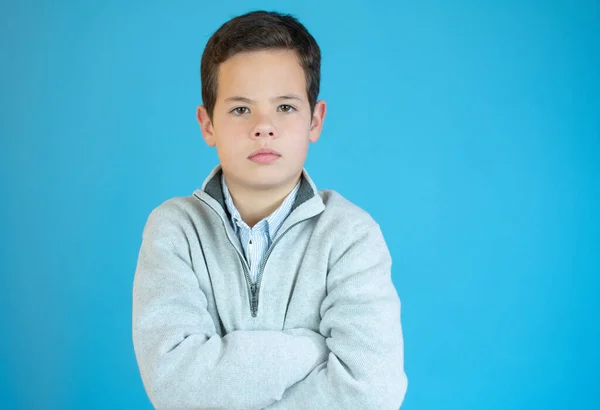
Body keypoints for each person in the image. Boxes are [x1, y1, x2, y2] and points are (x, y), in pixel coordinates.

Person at [132, 10, 408, 410]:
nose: (264, 127)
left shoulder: (350, 235)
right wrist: (314, 351)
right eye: (241, 109)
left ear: (315, 120)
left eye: (285, 107)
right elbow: (177, 389)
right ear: (207, 124)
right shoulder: (175, 231)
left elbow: (372, 392)